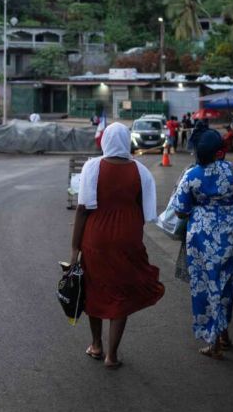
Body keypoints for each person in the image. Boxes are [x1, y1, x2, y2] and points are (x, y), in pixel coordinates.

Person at [69, 123, 164, 369]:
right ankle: (112, 355)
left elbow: (82, 208)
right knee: (120, 292)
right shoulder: (142, 171)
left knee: (95, 289)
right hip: (128, 239)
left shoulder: (92, 167)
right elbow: (146, 211)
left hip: (96, 238)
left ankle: (96, 345)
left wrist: (74, 249)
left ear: (105, 142)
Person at [170, 128, 233, 359]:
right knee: (225, 287)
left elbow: (180, 211)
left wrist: (200, 207)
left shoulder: (192, 175)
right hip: (231, 236)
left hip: (200, 238)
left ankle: (213, 342)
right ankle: (223, 334)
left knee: (204, 287)